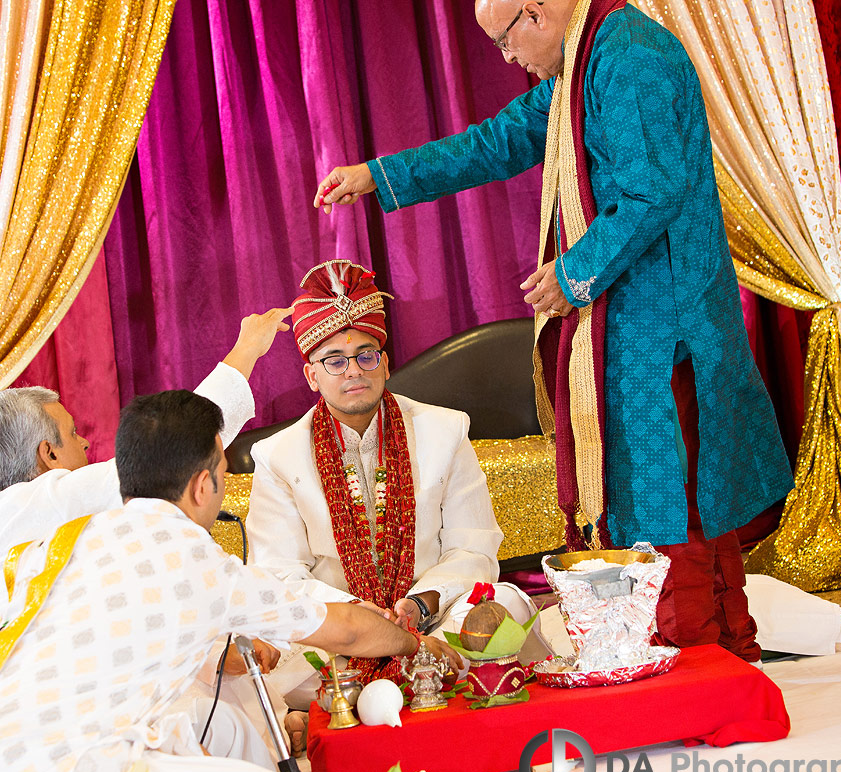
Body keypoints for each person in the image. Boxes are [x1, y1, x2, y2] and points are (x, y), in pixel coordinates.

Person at [311, 0, 793, 663]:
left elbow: (654, 193)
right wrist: (381, 175)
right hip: (637, 327)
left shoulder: (627, 56)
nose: (510, 61)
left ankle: (703, 665)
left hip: (666, 328)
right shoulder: (584, 64)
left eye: (507, 43)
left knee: (669, 507)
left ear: (534, 14)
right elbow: (498, 140)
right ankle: (722, 653)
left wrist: (574, 274)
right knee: (673, 503)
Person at [0, 390, 463, 772]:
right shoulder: (197, 560)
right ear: (202, 486)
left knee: (193, 738)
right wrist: (415, 641)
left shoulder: (71, 539)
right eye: (220, 472)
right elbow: (343, 630)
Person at [246, 260, 548, 733]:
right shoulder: (277, 457)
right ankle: (431, 681)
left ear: (385, 363)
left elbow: (475, 548)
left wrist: (422, 602)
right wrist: (362, 620)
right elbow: (279, 575)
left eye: (366, 355)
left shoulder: (446, 431)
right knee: (264, 658)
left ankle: (342, 705)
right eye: (335, 361)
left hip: (435, 619)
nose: (354, 372)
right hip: (339, 635)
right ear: (311, 375)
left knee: (503, 604)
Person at [0, 307, 293, 650]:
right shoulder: (46, 497)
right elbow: (179, 441)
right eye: (73, 434)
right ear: (49, 454)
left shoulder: (15, 513)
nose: (85, 442)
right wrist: (248, 348)